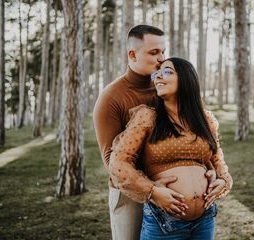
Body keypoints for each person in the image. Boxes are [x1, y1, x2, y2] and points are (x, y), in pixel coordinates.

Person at [93, 25, 221, 240]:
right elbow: (110, 160)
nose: (162, 59)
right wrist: (151, 190)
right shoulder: (111, 98)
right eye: (154, 53)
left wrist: (209, 171)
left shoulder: (168, 84)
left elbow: (193, 136)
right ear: (132, 55)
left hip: (184, 205)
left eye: (163, 51)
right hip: (130, 194)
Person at [109, 57, 233, 239]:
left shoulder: (205, 120)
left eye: (167, 71)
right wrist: (152, 191)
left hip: (205, 218)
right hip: (163, 221)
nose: (158, 77)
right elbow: (119, 163)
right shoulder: (147, 117)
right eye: (157, 73)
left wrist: (223, 181)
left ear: (186, 78)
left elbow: (217, 160)